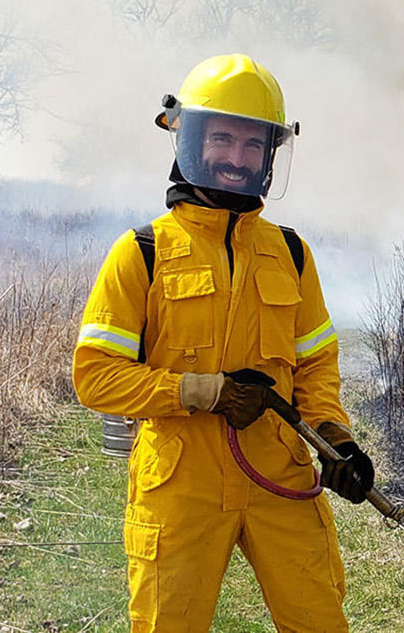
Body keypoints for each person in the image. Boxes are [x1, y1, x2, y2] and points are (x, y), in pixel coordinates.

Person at [72, 53, 376, 632]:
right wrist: (205, 391)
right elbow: (95, 376)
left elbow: (315, 365)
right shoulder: (142, 252)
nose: (237, 159)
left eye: (252, 145)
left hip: (279, 474)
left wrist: (334, 437)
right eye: (222, 138)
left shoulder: (291, 253)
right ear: (186, 139)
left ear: (269, 156)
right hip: (181, 481)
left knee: (319, 622)